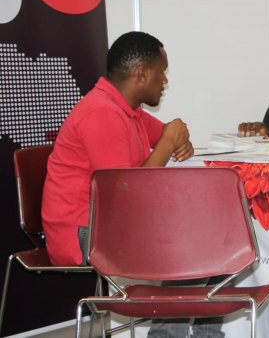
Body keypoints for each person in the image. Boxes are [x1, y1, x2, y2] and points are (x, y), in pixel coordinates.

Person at [42, 31, 222, 338]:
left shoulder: (128, 110)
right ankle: (166, 336)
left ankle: (202, 335)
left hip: (109, 223)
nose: (164, 81)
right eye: (161, 72)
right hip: (84, 235)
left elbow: (169, 132)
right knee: (196, 239)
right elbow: (128, 197)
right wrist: (168, 144)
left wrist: (177, 139)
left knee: (216, 231)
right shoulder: (101, 113)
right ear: (141, 74)